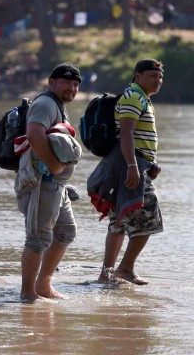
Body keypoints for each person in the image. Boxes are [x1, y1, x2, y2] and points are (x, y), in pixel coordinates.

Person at [93, 59, 164, 285]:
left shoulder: (142, 98)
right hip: (130, 167)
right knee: (150, 220)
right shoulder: (134, 97)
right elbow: (126, 134)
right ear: (137, 75)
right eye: (152, 76)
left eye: (160, 77)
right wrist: (134, 166)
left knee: (119, 222)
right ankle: (125, 269)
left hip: (134, 165)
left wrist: (150, 163)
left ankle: (106, 275)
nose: (158, 81)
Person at [16, 62, 82, 302]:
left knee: (65, 233)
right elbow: (34, 135)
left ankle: (43, 286)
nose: (71, 88)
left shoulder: (57, 106)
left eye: (75, 84)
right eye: (66, 82)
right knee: (38, 238)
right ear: (51, 82)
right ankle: (27, 294)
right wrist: (55, 166)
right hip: (41, 181)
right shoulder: (44, 104)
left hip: (56, 184)